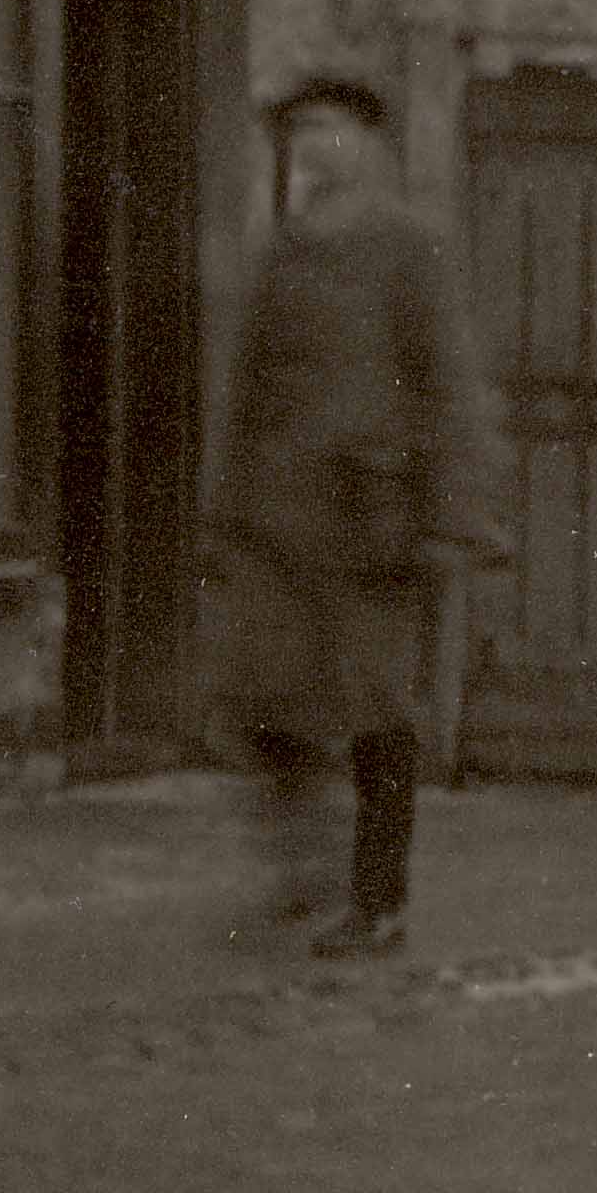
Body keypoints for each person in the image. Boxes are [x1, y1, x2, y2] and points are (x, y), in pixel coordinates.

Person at [200, 78, 507, 959]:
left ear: (370, 142)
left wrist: (451, 517)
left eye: (329, 130)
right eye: (299, 134)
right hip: (276, 525)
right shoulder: (284, 251)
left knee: (377, 714)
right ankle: (309, 868)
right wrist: (225, 515)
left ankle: (379, 902)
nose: (312, 148)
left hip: (373, 524)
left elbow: (450, 384)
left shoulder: (409, 248)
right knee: (260, 705)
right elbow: (249, 393)